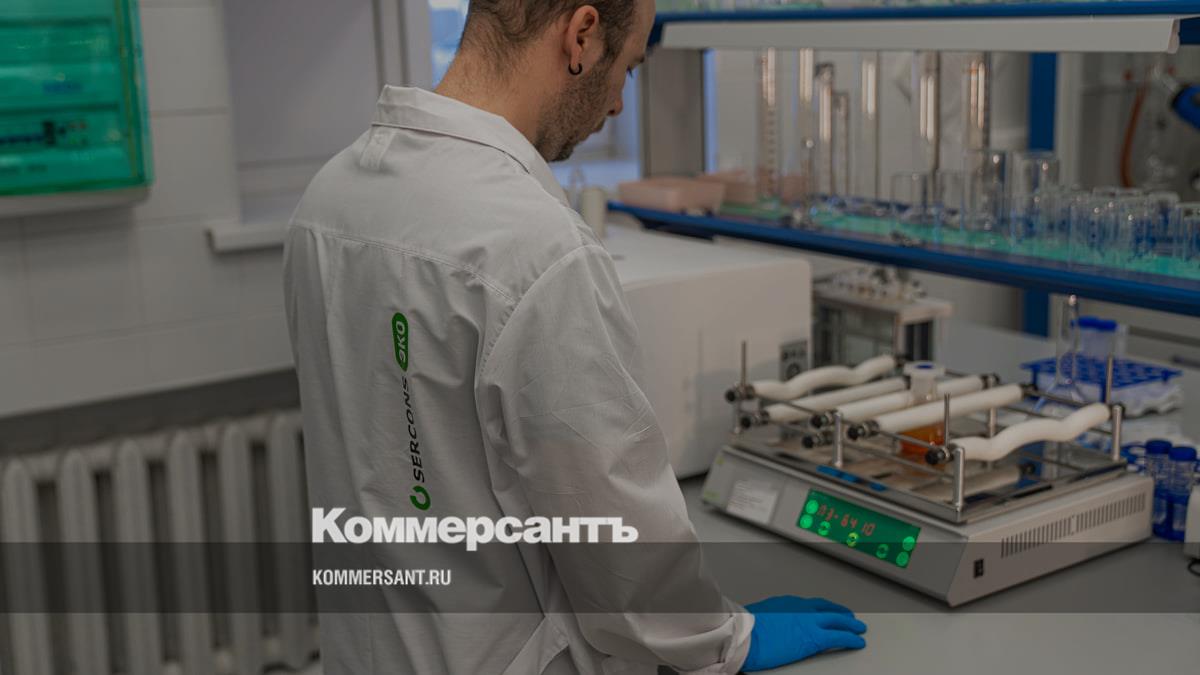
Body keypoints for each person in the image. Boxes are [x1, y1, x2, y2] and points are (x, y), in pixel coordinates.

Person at [283, 1, 867, 672]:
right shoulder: (534, 246)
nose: (618, 103)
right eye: (629, 67)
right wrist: (725, 638)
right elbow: (618, 548)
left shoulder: (329, 198)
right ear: (582, 35)